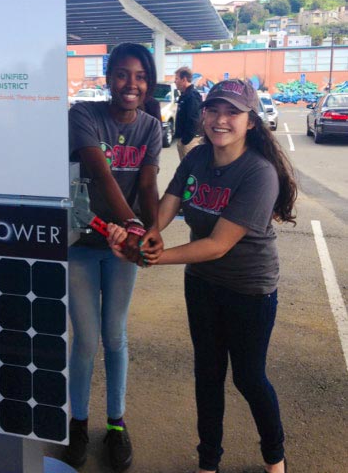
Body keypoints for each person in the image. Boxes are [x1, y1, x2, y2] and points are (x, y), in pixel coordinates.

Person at [108, 79, 296, 473]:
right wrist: (146, 234)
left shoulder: (259, 173)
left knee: (249, 378)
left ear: (251, 122)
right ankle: (208, 463)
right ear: (204, 114)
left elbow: (218, 245)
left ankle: (275, 458)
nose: (220, 120)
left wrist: (151, 258)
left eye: (233, 112)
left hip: (249, 291)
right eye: (214, 110)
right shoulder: (197, 157)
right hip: (202, 286)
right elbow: (168, 204)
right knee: (207, 375)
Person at [65, 42, 163, 471]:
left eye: (140, 76)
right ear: (108, 78)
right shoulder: (84, 115)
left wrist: (151, 232)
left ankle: (116, 424)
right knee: (86, 339)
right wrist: (135, 224)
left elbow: (147, 185)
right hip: (81, 245)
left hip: (123, 249)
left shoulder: (151, 127)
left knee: (115, 336)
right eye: (122, 74)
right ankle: (78, 424)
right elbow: (101, 175)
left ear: (149, 82)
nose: (131, 84)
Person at [174, 66, 203, 160]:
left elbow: (194, 119)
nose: (175, 81)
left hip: (190, 141)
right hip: (184, 139)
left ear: (184, 79)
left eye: (177, 79)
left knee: (191, 167)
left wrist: (185, 140)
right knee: (184, 167)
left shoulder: (192, 96)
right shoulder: (184, 95)